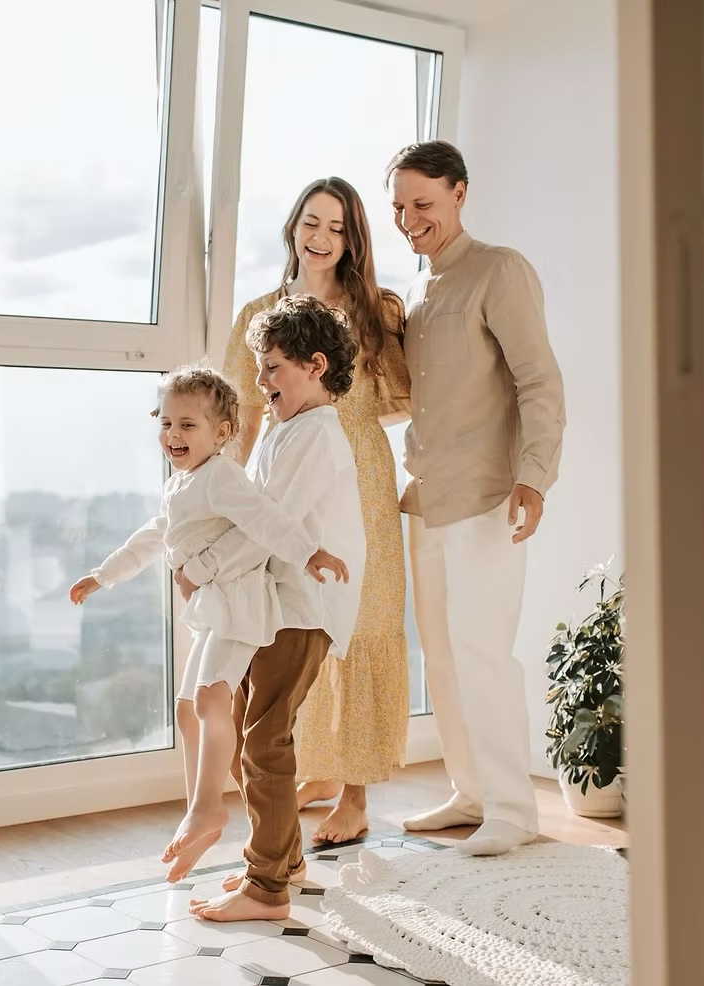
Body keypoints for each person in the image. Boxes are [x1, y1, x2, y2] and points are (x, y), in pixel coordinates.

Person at [68, 366, 348, 882]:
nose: (173, 435)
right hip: (212, 610)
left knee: (212, 700)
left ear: (221, 433)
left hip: (240, 607)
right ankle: (199, 808)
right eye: (166, 422)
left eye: (188, 425)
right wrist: (102, 576)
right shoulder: (183, 482)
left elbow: (266, 521)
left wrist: (309, 554)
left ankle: (208, 809)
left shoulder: (221, 476)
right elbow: (155, 535)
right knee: (184, 709)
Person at [386, 140, 567, 856]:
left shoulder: (500, 271)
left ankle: (514, 812)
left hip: (489, 495)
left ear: (460, 193)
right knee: (442, 654)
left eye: (422, 204)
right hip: (425, 499)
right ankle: (470, 792)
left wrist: (535, 475)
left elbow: (539, 382)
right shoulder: (422, 298)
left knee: (482, 650)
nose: (409, 219)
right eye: (399, 207)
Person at [221, 176, 410, 847]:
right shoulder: (259, 313)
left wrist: (413, 471)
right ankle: (322, 770)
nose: (320, 238)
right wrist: (235, 503)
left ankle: (354, 797)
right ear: (293, 227)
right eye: (311, 221)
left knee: (361, 623)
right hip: (288, 476)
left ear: (353, 240)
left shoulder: (377, 311)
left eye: (336, 228)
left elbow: (409, 399)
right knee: (298, 626)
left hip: (360, 476)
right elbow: (244, 416)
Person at [179, 294, 367, 922]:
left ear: (315, 366)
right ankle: (279, 861)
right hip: (273, 602)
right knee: (242, 734)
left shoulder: (315, 435)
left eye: (272, 368)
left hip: (304, 606)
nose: (260, 382)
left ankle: (267, 887)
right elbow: (248, 512)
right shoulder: (286, 431)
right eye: (259, 370)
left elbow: (268, 525)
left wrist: (201, 570)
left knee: (264, 740)